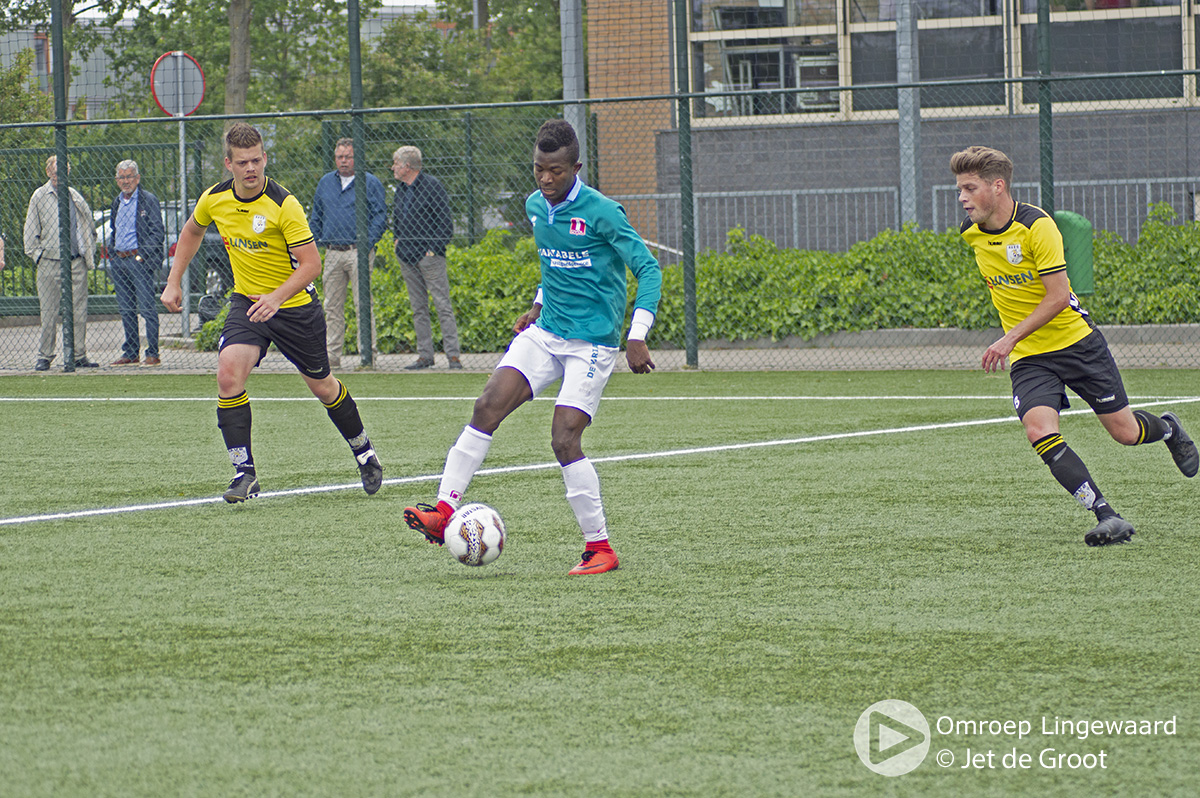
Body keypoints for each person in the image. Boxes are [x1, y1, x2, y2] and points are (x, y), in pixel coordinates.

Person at [404, 119, 663, 575]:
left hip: (591, 344)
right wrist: (538, 304)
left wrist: (637, 334)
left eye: (555, 171)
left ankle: (600, 548)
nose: (545, 179)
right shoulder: (535, 206)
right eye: (539, 169)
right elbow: (555, 265)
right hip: (547, 332)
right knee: (487, 406)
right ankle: (443, 511)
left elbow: (649, 269)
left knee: (564, 439)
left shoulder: (603, 212)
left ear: (576, 168)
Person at [951, 145, 1197, 546]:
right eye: (960, 189)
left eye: (969, 188)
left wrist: (1008, 337)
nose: (962, 197)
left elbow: (1058, 297)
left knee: (1125, 433)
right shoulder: (971, 233)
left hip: (1077, 345)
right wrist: (1017, 341)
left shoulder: (1037, 226)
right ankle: (1106, 515)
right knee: (1038, 430)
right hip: (1031, 356)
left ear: (997, 187)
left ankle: (1169, 429)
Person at [160, 123, 384, 503]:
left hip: (294, 308)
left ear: (264, 158)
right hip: (247, 303)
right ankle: (244, 473)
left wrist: (277, 298)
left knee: (323, 387)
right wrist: (173, 280)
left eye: (256, 160)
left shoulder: (284, 204)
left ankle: (364, 452)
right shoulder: (214, 198)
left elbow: (312, 265)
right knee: (228, 375)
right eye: (242, 162)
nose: (251, 168)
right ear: (228, 164)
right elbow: (192, 231)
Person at [310, 137, 387, 369]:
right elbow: (316, 216)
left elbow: (380, 216)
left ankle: (368, 356)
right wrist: (313, 244)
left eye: (348, 157)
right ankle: (331, 355)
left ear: (357, 158)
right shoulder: (325, 182)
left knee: (362, 304)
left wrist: (367, 244)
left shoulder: (370, 182)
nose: (343, 161)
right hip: (332, 251)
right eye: (340, 157)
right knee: (332, 306)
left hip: (358, 252)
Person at [23, 155, 97, 371]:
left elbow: (88, 226)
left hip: (75, 262)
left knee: (79, 311)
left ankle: (78, 354)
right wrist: (38, 256)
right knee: (48, 313)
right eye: (56, 173)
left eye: (63, 172)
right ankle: (45, 355)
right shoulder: (39, 196)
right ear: (48, 172)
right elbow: (30, 231)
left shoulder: (75, 196)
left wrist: (87, 252)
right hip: (49, 262)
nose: (59, 176)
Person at [391, 145, 461, 370]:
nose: (393, 168)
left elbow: (445, 223)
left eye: (396, 163)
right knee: (418, 307)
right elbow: (397, 219)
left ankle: (453, 356)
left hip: (430, 257)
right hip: (406, 256)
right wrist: (397, 242)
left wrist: (433, 250)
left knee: (442, 305)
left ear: (407, 166)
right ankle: (425, 355)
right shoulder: (401, 190)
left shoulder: (432, 186)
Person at [108, 159, 166, 366]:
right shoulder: (116, 202)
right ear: (117, 180)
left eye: (130, 176)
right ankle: (131, 352)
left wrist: (142, 255)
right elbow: (114, 230)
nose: (126, 181)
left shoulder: (148, 200)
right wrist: (112, 254)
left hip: (139, 261)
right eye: (122, 177)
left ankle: (153, 352)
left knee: (147, 308)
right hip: (119, 261)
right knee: (126, 309)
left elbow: (157, 232)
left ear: (138, 178)